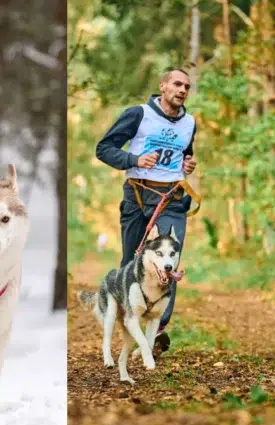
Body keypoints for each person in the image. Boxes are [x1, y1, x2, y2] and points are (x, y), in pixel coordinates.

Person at [95, 68, 198, 356]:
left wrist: (188, 165)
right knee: (132, 262)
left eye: (187, 86)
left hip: (172, 198)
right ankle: (133, 322)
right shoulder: (138, 114)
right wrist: (134, 158)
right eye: (177, 84)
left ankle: (158, 328)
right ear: (162, 86)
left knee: (167, 261)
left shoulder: (189, 122)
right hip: (137, 196)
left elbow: (185, 154)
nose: (182, 90)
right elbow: (103, 148)